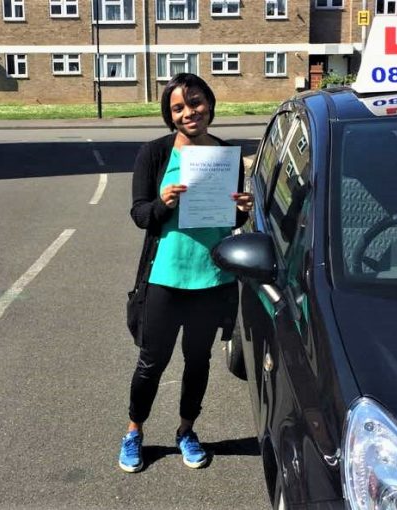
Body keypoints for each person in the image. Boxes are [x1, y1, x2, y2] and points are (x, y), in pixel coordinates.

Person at [119, 73, 254, 473]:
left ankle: (186, 431)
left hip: (212, 278)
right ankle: (134, 432)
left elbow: (227, 218)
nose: (188, 112)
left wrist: (243, 210)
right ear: (169, 114)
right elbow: (140, 215)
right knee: (151, 362)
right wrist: (162, 203)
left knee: (199, 362)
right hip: (165, 276)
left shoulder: (226, 155)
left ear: (209, 104)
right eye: (178, 107)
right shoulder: (155, 154)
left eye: (195, 103)